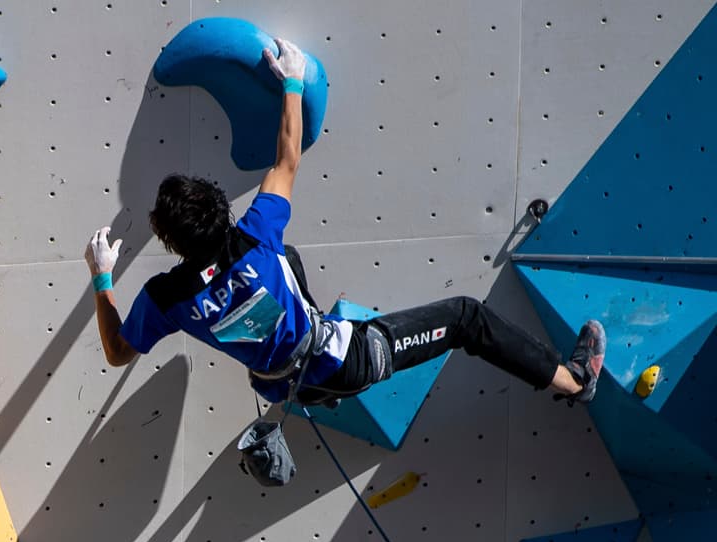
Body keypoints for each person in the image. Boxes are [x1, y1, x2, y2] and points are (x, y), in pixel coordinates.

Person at [84, 37, 605, 414]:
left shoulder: (164, 299)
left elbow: (117, 352)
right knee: (467, 318)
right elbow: (286, 159)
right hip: (347, 362)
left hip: (284, 388)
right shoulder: (256, 234)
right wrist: (290, 80)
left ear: (174, 243)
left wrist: (103, 276)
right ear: (221, 208)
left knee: (290, 265)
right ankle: (575, 382)